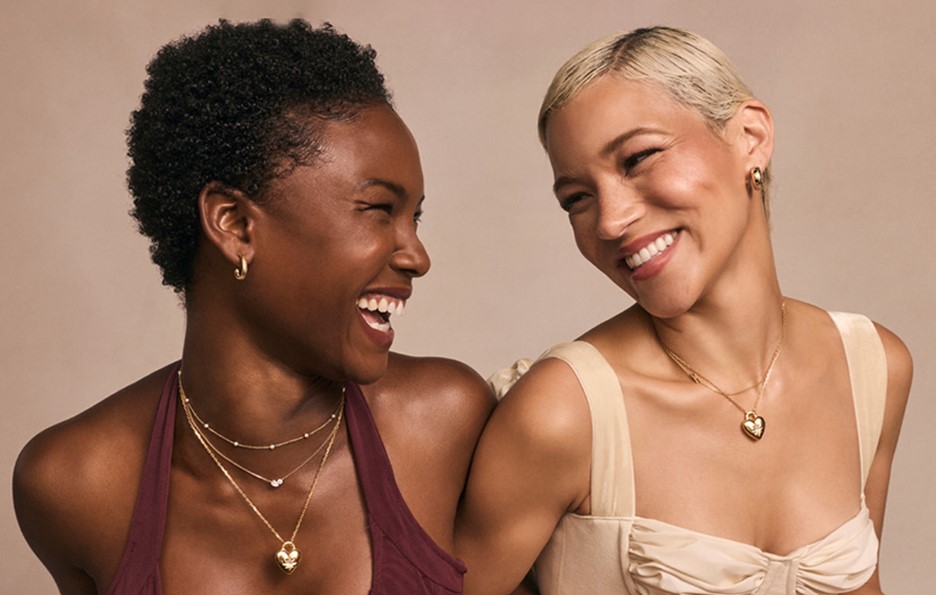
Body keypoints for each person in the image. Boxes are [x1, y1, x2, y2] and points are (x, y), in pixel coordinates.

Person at [13, 19, 493, 594]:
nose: (416, 255)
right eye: (378, 210)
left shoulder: (443, 423)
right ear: (235, 225)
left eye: (415, 217)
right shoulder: (77, 482)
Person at [456, 26, 911, 595]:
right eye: (578, 198)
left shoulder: (872, 369)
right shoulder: (563, 414)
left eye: (639, 157)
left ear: (750, 136)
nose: (610, 221)